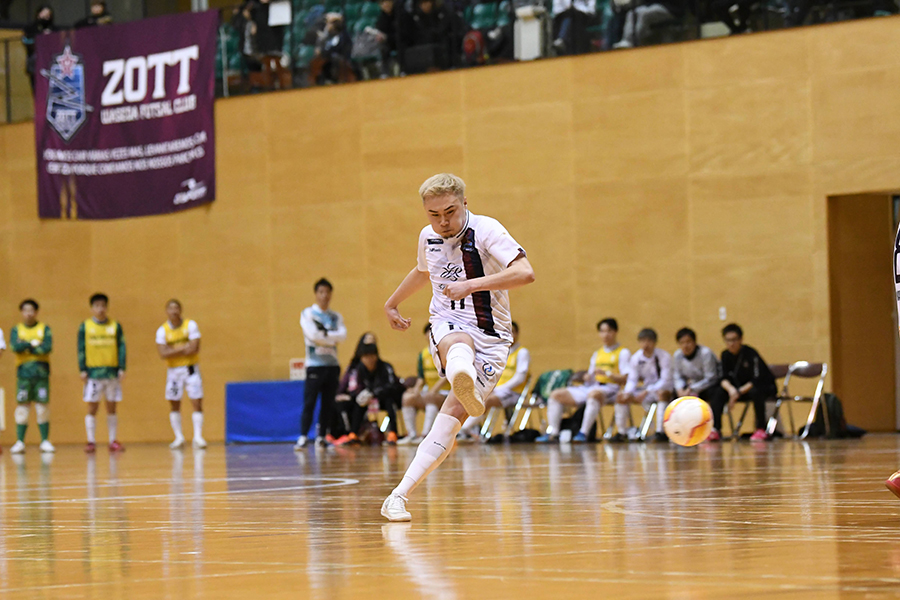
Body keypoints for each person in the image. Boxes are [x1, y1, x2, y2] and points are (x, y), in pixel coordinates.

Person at [381, 173, 535, 521]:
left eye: (450, 212)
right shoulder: (428, 237)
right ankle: (462, 375)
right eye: (434, 215)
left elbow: (525, 273)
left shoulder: (487, 230)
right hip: (448, 320)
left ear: (465, 203)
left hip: (493, 336)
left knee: (448, 424)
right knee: (457, 340)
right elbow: (423, 272)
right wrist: (392, 303)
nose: (443, 222)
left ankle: (398, 495)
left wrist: (472, 285)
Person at [537, 318, 630, 443]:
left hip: (610, 388)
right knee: (556, 395)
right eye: (602, 331)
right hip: (592, 386)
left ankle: (583, 433)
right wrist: (587, 377)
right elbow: (590, 375)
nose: (605, 335)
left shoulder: (623, 352)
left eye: (609, 331)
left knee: (593, 395)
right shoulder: (598, 354)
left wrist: (607, 374)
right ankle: (554, 433)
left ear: (615, 332)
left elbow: (625, 378)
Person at [296, 278, 347, 449]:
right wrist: (331, 338)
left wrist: (324, 336)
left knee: (328, 404)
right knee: (309, 402)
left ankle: (322, 436)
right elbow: (312, 335)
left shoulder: (336, 316)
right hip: (314, 365)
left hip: (332, 366)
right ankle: (303, 436)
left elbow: (342, 336)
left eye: (327, 292)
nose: (324, 295)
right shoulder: (308, 314)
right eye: (321, 292)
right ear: (316, 294)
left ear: (331, 294)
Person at [459, 320, 530, 440]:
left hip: (513, 393)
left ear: (517, 334)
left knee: (487, 401)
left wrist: (498, 389)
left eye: (512, 332)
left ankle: (463, 430)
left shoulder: (522, 352)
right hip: (498, 391)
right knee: (472, 396)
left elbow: (520, 378)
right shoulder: (500, 352)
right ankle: (472, 430)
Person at [78, 293, 126, 453]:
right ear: (92, 308)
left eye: (103, 306)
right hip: (93, 373)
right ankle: (91, 441)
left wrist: (122, 367)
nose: (100, 309)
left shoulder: (115, 326)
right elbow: (81, 348)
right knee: (92, 407)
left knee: (112, 406)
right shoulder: (85, 326)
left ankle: (112, 440)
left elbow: (121, 347)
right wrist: (82, 369)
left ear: (107, 307)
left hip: (111, 373)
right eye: (97, 306)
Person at [335, 333, 402, 445]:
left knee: (390, 402)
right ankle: (353, 434)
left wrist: (374, 393)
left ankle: (392, 433)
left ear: (376, 356)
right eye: (366, 357)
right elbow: (353, 386)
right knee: (359, 404)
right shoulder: (357, 370)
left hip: (384, 398)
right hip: (366, 400)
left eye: (372, 356)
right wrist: (359, 395)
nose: (369, 359)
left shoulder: (385, 367)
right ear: (361, 358)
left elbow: (392, 386)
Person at [156, 299, 206, 450]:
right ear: (167, 311)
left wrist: (172, 350)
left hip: (190, 369)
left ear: (180, 310)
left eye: (176, 308)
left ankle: (198, 437)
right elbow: (163, 353)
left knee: (196, 401)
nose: (174, 311)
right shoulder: (162, 330)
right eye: (171, 308)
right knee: (174, 403)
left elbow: (194, 348)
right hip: (173, 372)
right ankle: (178, 437)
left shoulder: (190, 325)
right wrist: (183, 348)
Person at [9, 299, 53, 454]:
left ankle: (45, 441)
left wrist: (25, 345)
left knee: (42, 407)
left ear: (36, 312)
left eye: (31, 310)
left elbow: (47, 348)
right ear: (22, 312)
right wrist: (33, 344)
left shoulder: (44, 329)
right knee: (22, 407)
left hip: (41, 374)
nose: (29, 313)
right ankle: (20, 442)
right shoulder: (17, 330)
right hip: (23, 375)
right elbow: (15, 346)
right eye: (25, 310)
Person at [719, 323, 777, 442]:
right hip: (740, 390)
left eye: (734, 340)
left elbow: (756, 379)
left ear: (741, 339)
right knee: (718, 392)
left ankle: (760, 428)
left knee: (756, 391)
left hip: (763, 387)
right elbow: (723, 378)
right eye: (728, 340)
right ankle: (715, 429)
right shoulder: (725, 355)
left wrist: (738, 392)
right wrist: (731, 390)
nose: (731, 343)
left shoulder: (751, 353)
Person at [618, 328, 673, 442]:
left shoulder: (664, 357)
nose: (646, 344)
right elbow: (632, 380)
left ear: (655, 342)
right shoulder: (636, 358)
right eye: (643, 341)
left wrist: (648, 390)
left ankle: (660, 432)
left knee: (662, 394)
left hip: (662, 389)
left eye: (649, 341)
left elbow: (665, 380)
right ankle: (621, 432)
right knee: (621, 397)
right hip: (645, 390)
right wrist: (628, 392)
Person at [672, 327, 725, 441]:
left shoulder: (705, 353)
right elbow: (677, 376)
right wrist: (680, 389)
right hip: (691, 387)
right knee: (673, 394)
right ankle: (678, 429)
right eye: (682, 343)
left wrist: (692, 388)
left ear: (695, 342)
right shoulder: (677, 355)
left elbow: (711, 378)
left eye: (688, 342)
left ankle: (715, 429)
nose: (685, 346)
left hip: (708, 386)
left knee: (717, 393)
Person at [399, 324, 446, 445]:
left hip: (446, 393)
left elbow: (447, 376)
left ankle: (426, 435)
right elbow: (421, 377)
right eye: (428, 332)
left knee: (430, 397)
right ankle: (412, 435)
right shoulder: (423, 354)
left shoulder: (444, 351)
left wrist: (433, 390)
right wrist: (416, 390)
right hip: (430, 393)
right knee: (408, 398)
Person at [22, 5, 55, 93]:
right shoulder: (30, 28)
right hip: (35, 62)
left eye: (48, 15)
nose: (45, 17)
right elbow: (26, 41)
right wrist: (40, 37)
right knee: (36, 89)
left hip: (50, 63)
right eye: (43, 14)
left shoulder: (54, 29)